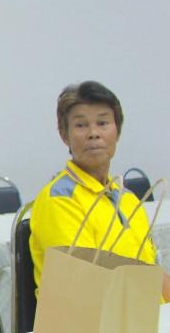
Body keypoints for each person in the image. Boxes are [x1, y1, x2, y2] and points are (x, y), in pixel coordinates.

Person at [29, 80, 170, 302]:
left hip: (143, 314)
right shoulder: (59, 199)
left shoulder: (128, 199)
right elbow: (84, 285)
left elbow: (152, 273)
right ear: (65, 135)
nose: (93, 133)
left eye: (103, 123)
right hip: (91, 318)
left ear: (117, 131)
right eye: (81, 125)